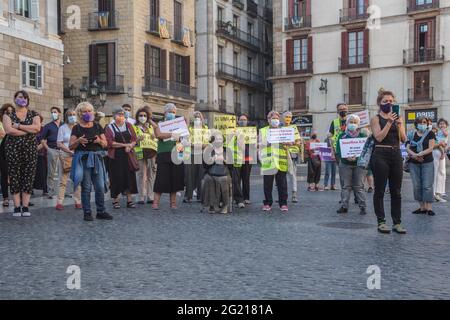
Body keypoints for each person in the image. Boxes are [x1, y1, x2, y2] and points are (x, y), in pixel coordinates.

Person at [369, 90, 407, 234]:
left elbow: (403, 139)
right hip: (380, 154)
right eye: (386, 101)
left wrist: (399, 124)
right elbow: (378, 137)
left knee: (396, 191)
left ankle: (397, 223)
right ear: (380, 104)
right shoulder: (376, 119)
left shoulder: (398, 118)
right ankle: (381, 221)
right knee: (379, 190)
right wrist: (389, 122)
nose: (389, 103)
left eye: (391, 101)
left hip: (396, 153)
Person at [69, 102, 110, 221]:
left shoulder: (97, 126)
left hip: (97, 158)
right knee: (86, 187)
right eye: (85, 111)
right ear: (80, 114)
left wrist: (99, 141)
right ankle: (87, 212)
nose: (88, 113)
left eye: (90, 111)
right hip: (83, 159)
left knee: (100, 186)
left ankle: (101, 211)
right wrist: (79, 141)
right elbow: (70, 146)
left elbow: (106, 144)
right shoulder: (76, 128)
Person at [2, 90, 41, 217]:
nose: (22, 99)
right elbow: (8, 130)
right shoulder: (8, 114)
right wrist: (28, 131)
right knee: (14, 176)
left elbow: (37, 128)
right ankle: (17, 207)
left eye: (25, 97)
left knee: (28, 176)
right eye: (20, 97)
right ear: (14, 99)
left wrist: (18, 126)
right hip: (12, 149)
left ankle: (25, 206)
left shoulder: (34, 113)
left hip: (30, 149)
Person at [150, 103, 185, 210]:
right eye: (170, 112)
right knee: (161, 179)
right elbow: (159, 135)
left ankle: (173, 203)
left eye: (174, 112)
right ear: (165, 113)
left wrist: (180, 155)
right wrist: (173, 134)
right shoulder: (160, 123)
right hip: (163, 154)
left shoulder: (178, 124)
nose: (172, 114)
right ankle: (155, 203)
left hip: (176, 153)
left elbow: (181, 140)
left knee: (175, 179)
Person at [105, 108, 138, 209]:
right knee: (115, 178)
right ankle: (115, 200)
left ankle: (129, 200)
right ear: (114, 116)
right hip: (115, 157)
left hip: (127, 156)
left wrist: (130, 146)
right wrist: (125, 145)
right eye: (119, 114)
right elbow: (110, 142)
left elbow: (134, 138)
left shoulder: (128, 125)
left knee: (129, 177)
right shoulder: (109, 127)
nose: (121, 116)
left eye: (123, 114)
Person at [335, 115, 367, 215]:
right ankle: (344, 206)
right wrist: (345, 157)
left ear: (358, 124)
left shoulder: (362, 136)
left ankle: (363, 207)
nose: (352, 124)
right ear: (347, 123)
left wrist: (357, 158)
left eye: (355, 122)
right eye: (351, 122)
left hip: (359, 165)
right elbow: (338, 150)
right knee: (346, 186)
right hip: (345, 164)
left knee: (359, 186)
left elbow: (366, 150)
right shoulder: (342, 136)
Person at [259, 111, 289, 212]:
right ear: (268, 120)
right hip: (268, 161)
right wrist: (267, 143)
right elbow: (259, 144)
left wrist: (287, 143)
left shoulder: (284, 131)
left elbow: (290, 144)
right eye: (273, 118)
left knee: (282, 184)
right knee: (267, 184)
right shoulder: (263, 131)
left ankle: (283, 203)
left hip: (281, 161)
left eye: (277, 118)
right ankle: (267, 203)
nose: (275, 120)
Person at [406, 116, 436, 216]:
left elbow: (431, 148)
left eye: (424, 122)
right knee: (417, 186)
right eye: (420, 122)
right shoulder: (411, 134)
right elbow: (407, 148)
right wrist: (414, 155)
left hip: (427, 162)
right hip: (414, 163)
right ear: (416, 124)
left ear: (427, 124)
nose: (422, 124)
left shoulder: (430, 133)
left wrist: (420, 154)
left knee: (427, 185)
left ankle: (429, 208)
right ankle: (422, 207)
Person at [55, 109, 81, 210]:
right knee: (63, 180)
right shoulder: (62, 128)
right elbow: (59, 143)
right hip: (65, 156)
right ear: (66, 117)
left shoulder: (78, 128)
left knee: (77, 180)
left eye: (74, 114)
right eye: (70, 115)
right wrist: (69, 151)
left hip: (77, 155)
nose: (72, 116)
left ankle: (78, 201)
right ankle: (60, 201)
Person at [228, 114, 255, 207]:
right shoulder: (233, 130)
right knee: (236, 179)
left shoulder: (251, 131)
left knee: (246, 178)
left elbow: (254, 145)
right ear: (238, 121)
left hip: (248, 157)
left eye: (244, 119)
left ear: (247, 121)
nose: (243, 121)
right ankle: (237, 198)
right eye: (241, 119)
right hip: (237, 158)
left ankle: (246, 197)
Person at [133, 106, 158, 205]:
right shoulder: (134, 127)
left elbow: (158, 137)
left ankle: (150, 196)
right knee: (140, 174)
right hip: (139, 151)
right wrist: (137, 140)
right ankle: (140, 196)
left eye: (144, 115)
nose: (142, 117)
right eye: (140, 115)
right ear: (137, 116)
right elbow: (131, 141)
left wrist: (153, 136)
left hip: (151, 152)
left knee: (151, 174)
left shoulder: (151, 127)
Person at [202, 134, 231, 214]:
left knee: (223, 179)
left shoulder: (227, 150)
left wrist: (226, 161)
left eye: (220, 139)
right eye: (216, 139)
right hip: (211, 172)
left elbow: (231, 166)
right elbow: (204, 165)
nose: (218, 140)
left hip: (224, 173)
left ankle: (225, 205)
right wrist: (212, 160)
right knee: (209, 179)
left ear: (223, 140)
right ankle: (212, 205)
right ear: (213, 141)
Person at [183, 111, 207, 203]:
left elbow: (206, 144)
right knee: (189, 176)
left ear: (202, 119)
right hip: (190, 154)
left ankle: (200, 197)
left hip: (201, 154)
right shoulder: (188, 129)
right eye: (195, 117)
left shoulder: (205, 129)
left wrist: (196, 145)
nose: (197, 118)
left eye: (199, 116)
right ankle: (188, 196)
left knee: (201, 176)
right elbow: (185, 142)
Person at [41, 107, 62, 199]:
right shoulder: (48, 126)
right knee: (51, 172)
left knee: (63, 172)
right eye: (52, 112)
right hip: (52, 149)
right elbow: (42, 140)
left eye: (55, 112)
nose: (53, 114)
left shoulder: (63, 125)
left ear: (59, 113)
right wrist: (48, 149)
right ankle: (50, 191)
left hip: (63, 150)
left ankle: (62, 191)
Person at [282, 111, 302, 203]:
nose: (288, 118)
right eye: (286, 117)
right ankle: (282, 195)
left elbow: (298, 142)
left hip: (292, 154)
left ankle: (294, 194)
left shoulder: (294, 128)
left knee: (292, 174)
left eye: (290, 117)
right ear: (282, 117)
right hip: (280, 154)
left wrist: (291, 143)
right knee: (281, 176)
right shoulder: (279, 128)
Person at [0, 103, 14, 207]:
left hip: (11, 151)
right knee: (4, 175)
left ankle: (11, 198)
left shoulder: (14, 122)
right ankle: (5, 197)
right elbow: (3, 134)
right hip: (2, 150)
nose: (8, 113)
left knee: (10, 175)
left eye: (10, 111)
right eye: (6, 111)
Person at [433, 118, 448, 202]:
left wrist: (444, 152)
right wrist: (442, 152)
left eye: (443, 124)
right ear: (438, 126)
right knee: (435, 172)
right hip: (437, 152)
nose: (442, 125)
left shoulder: (445, 132)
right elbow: (438, 143)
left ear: (446, 125)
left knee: (442, 172)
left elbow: (446, 144)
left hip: (442, 152)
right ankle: (434, 193)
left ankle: (440, 192)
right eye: (440, 124)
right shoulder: (439, 132)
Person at [34, 115, 48, 196]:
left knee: (43, 172)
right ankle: (30, 189)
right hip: (31, 154)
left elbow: (45, 141)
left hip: (41, 154)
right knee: (31, 173)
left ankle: (45, 189)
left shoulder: (43, 129)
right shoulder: (31, 129)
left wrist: (34, 149)